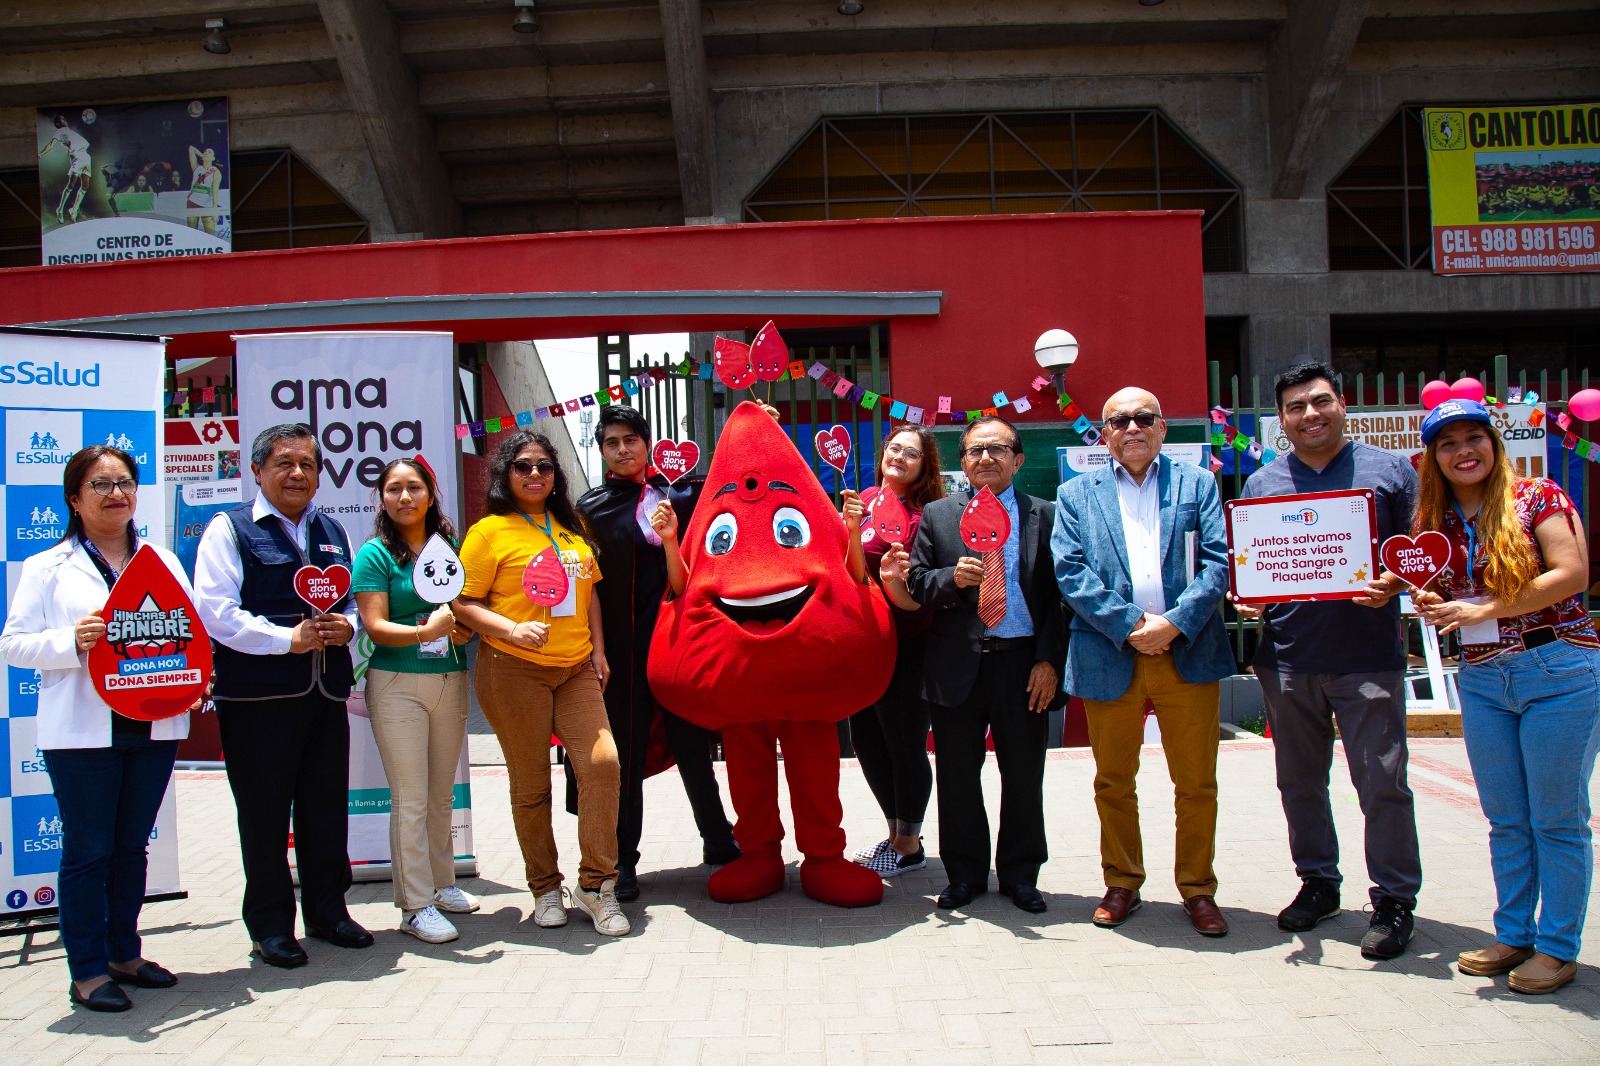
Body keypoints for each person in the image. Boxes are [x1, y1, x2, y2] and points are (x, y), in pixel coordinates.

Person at [1407, 399, 1600, 994]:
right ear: (1433, 459)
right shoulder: (1433, 522)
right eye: (1448, 443)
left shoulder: (1538, 497)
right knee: (1507, 819)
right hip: (1486, 677)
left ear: (1495, 444)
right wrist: (1431, 603)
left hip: (1558, 665)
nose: (1464, 451)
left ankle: (1558, 946)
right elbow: (1444, 595)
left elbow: (1571, 574)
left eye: (1475, 438)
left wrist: (1488, 607)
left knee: (1557, 819)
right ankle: (1514, 932)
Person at [1237, 362, 1422, 960]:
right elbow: (1253, 567)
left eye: (1320, 402)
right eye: (1296, 407)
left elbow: (1422, 552)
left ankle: (1394, 900)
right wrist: (1247, 594)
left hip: (1368, 657)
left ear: (1342, 404)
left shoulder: (1389, 471)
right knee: (1299, 782)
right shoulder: (1263, 483)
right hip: (1287, 657)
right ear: (1281, 420)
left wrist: (1394, 582)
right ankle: (1319, 882)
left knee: (1382, 782)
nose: (1309, 414)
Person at [0, 447, 193, 1012]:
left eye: (125, 483)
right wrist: (70, 641)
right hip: (84, 733)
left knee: (131, 847)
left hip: (152, 723)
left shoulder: (160, 559)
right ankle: (86, 971)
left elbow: (186, 633)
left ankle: (123, 954)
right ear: (74, 500)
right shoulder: (48, 567)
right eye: (101, 485)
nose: (116, 494)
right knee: (88, 851)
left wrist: (193, 676)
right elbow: (13, 645)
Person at [1050, 389, 1235, 936]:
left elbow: (1218, 564)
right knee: (1113, 779)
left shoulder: (1197, 485)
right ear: (1103, 433)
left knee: (1197, 782)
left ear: (1162, 429)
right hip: (1112, 651)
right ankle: (1122, 881)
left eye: (1144, 418)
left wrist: (1173, 624)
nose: (1132, 427)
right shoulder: (1075, 494)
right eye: (1119, 420)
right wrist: (1133, 626)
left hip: (1187, 651)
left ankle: (1198, 888)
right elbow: (1070, 570)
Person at [194, 424, 371, 969]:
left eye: (308, 465)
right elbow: (216, 613)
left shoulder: (332, 529)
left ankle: (328, 911)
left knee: (324, 808)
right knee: (265, 815)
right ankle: (271, 926)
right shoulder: (230, 530)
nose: (298, 473)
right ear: (257, 471)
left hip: (324, 693)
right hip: (258, 700)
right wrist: (283, 641)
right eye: (284, 463)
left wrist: (351, 625)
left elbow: (353, 604)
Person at [453, 431, 628, 936]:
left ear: (556, 475)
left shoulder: (571, 528)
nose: (534, 475)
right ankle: (545, 889)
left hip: (575, 669)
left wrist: (598, 650)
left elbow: (590, 592)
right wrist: (510, 628)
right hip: (513, 670)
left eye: (544, 466)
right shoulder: (489, 532)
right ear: (505, 474)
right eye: (523, 466)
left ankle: (597, 886)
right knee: (531, 785)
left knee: (602, 765)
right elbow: (462, 602)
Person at [898, 415, 1066, 913]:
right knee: (956, 776)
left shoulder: (1044, 515)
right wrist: (954, 579)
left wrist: (1048, 661)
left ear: (1018, 459)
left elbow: (1058, 599)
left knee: (1023, 774)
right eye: (975, 451)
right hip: (957, 667)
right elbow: (919, 584)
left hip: (1021, 665)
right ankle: (965, 874)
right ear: (963, 463)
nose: (986, 458)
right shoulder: (938, 516)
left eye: (997, 449)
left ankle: (1020, 874)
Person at [573, 406, 738, 902]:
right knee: (624, 753)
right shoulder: (590, 509)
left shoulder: (687, 494)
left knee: (693, 744)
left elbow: (736, 480)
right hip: (622, 653)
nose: (623, 450)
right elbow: (586, 587)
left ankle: (718, 839)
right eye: (611, 443)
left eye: (631, 440)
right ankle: (623, 860)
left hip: (682, 642)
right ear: (601, 450)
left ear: (648, 443)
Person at [352, 458, 477, 945]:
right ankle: (414, 904)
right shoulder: (375, 554)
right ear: (382, 498)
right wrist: (428, 630)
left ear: (431, 494)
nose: (405, 498)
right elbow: (375, 625)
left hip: (449, 679)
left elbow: (464, 611)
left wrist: (460, 627)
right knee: (410, 798)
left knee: (441, 794)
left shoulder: (447, 551)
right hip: (395, 682)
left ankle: (442, 884)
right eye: (394, 490)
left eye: (414, 488)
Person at [842, 423, 942, 876]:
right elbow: (850, 572)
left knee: (904, 743)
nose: (899, 456)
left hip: (907, 642)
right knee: (867, 741)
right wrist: (848, 528)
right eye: (895, 448)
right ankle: (894, 832)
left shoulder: (926, 517)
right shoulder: (865, 500)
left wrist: (892, 578)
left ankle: (909, 843)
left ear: (924, 467)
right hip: (863, 641)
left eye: (912, 454)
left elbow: (916, 598)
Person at [39, 114, 92, 224]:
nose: (65, 120)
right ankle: (60, 209)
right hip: (77, 156)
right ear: (58, 123)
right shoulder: (59, 132)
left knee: (85, 186)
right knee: (71, 185)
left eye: (65, 118)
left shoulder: (69, 131)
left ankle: (74, 209)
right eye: (62, 119)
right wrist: (41, 154)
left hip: (85, 156)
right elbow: (51, 144)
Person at [186, 145, 222, 236]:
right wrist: (203, 155)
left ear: (213, 158)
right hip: (192, 203)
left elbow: (215, 192)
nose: (206, 153)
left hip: (207, 205)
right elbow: (191, 148)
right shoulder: (196, 167)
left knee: (210, 234)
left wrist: (215, 211)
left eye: (209, 152)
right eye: (205, 151)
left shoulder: (215, 172)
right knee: (191, 233)